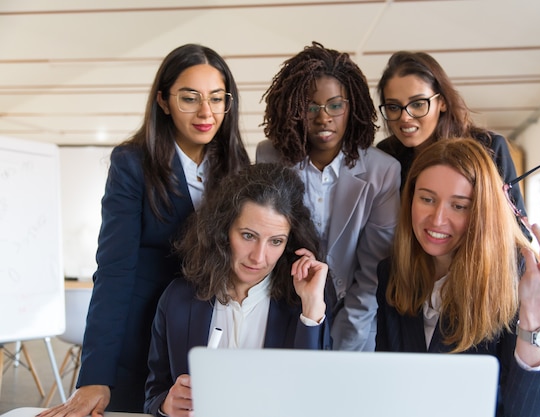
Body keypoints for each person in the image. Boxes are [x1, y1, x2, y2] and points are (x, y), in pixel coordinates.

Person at [39, 44, 250, 417]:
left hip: (211, 340)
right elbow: (114, 271)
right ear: (164, 102)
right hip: (141, 338)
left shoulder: (236, 165)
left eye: (217, 98)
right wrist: (95, 375)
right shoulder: (132, 163)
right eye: (190, 98)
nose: (206, 112)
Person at [376, 138, 540, 417]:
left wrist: (537, 311)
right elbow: (389, 383)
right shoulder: (393, 271)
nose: (436, 219)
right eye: (427, 199)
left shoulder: (517, 276)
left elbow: (532, 413)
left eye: (459, 206)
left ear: (482, 212)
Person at [144, 163, 331, 417]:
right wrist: (166, 405)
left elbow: (316, 402)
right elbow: (154, 393)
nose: (259, 257)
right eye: (248, 236)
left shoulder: (300, 308)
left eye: (275, 241)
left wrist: (311, 308)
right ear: (224, 230)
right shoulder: (177, 299)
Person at [257, 42, 401, 351]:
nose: (323, 118)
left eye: (335, 105)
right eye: (310, 107)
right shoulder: (268, 156)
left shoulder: (383, 171)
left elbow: (373, 271)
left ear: (352, 106)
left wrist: (346, 342)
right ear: (294, 110)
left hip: (355, 310)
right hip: (284, 303)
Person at [376, 51, 529, 238]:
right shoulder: (386, 157)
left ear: (442, 102)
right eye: (393, 107)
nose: (405, 117)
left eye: (417, 104)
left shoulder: (488, 148)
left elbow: (519, 234)